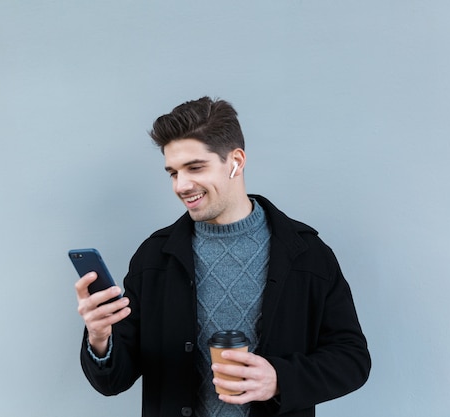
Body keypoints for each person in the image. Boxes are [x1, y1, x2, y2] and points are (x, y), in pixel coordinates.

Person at [75, 97, 371, 417]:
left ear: (236, 161)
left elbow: (352, 359)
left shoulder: (307, 255)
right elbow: (112, 381)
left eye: (195, 167)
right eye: (173, 172)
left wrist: (279, 379)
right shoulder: (154, 257)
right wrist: (100, 338)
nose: (182, 185)